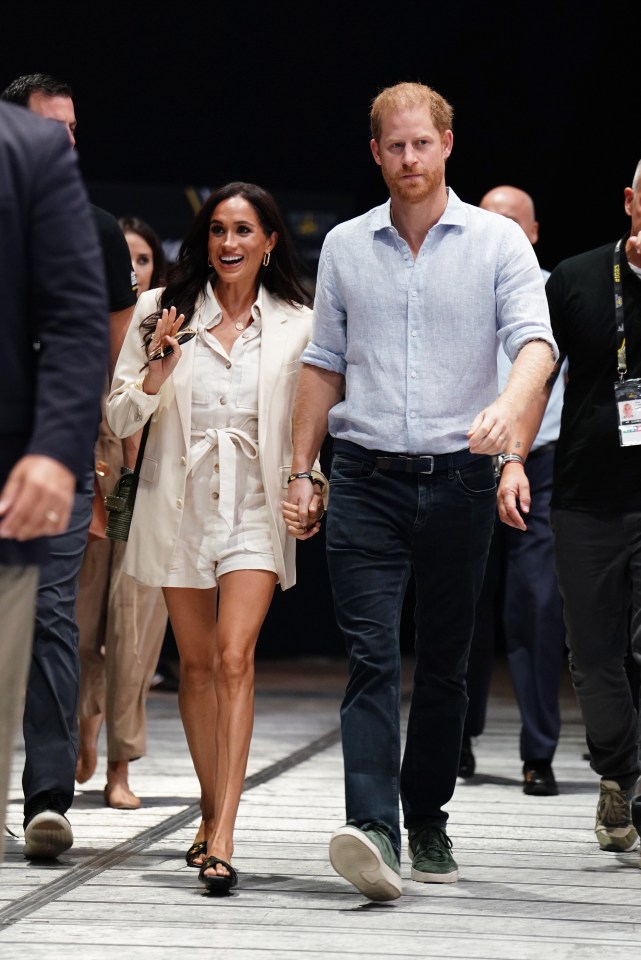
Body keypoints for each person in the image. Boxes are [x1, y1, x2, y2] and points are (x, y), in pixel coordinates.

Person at [283, 81, 557, 902]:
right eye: (393, 146)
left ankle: (425, 814)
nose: (408, 159)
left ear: (446, 144)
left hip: (460, 479)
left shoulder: (497, 243)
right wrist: (304, 469)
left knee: (444, 664)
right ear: (375, 153)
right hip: (364, 474)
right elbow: (322, 364)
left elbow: (534, 344)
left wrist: (511, 410)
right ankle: (371, 827)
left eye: (421, 144)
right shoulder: (343, 245)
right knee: (369, 653)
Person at [106, 181, 325, 893]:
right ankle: (209, 810)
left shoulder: (299, 320)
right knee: (196, 667)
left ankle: (223, 833)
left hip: (255, 510)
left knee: (235, 658)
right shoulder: (158, 312)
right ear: (203, 241)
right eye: (217, 230)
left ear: (269, 243)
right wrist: (159, 368)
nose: (228, 243)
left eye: (243, 230)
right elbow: (116, 418)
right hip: (178, 505)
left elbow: (308, 419)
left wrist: (308, 480)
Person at [1, 74, 137, 858]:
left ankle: (48, 796)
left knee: (48, 616)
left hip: (52, 450)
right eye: (53, 129)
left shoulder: (91, 228)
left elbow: (102, 348)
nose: (68, 145)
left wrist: (77, 449)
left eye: (74, 131)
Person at [498, 159, 641, 855]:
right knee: (592, 654)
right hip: (585, 495)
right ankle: (618, 774)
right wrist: (514, 458)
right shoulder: (579, 279)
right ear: (628, 200)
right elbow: (534, 375)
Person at [460, 186, 567, 796]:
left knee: (536, 606)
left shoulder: (562, 289)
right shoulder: (458, 280)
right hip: (467, 461)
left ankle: (539, 752)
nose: (497, 230)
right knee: (463, 605)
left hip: (541, 464)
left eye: (510, 221)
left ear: (531, 232)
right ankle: (459, 738)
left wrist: (520, 454)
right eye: (487, 219)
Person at [74, 215, 169, 809]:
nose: (131, 270)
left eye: (142, 259)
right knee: (79, 623)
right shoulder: (84, 323)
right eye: (123, 259)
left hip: (152, 478)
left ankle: (120, 768)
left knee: (135, 630)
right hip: (90, 471)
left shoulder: (171, 323)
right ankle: (81, 727)